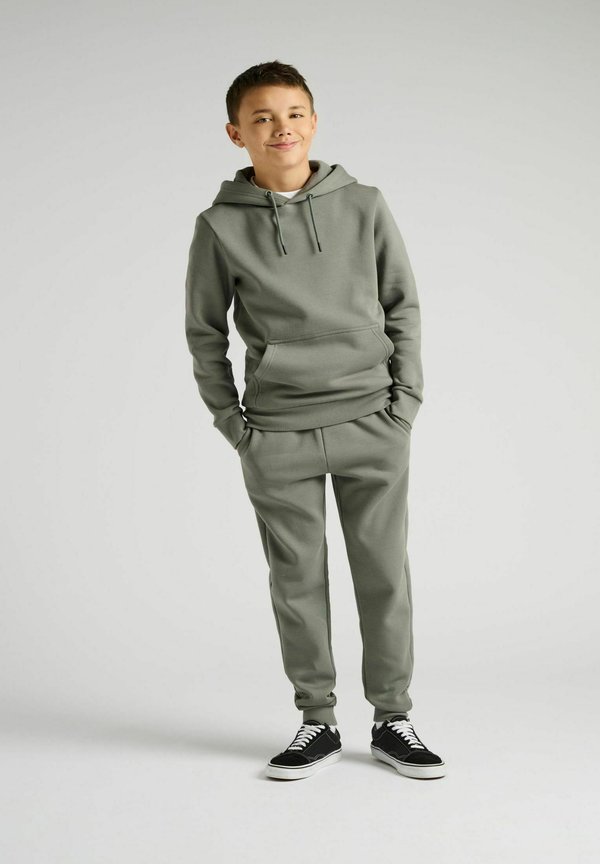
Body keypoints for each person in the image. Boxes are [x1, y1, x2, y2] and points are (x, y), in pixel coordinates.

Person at [184, 60, 446, 781]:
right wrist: (235, 426)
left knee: (384, 575)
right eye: (263, 118)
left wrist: (405, 402)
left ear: (314, 121)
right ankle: (317, 722)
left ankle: (393, 719)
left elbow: (403, 304)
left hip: (372, 419)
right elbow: (204, 332)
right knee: (295, 582)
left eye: (294, 113)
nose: (282, 128)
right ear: (236, 133)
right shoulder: (219, 226)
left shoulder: (363, 204)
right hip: (278, 432)